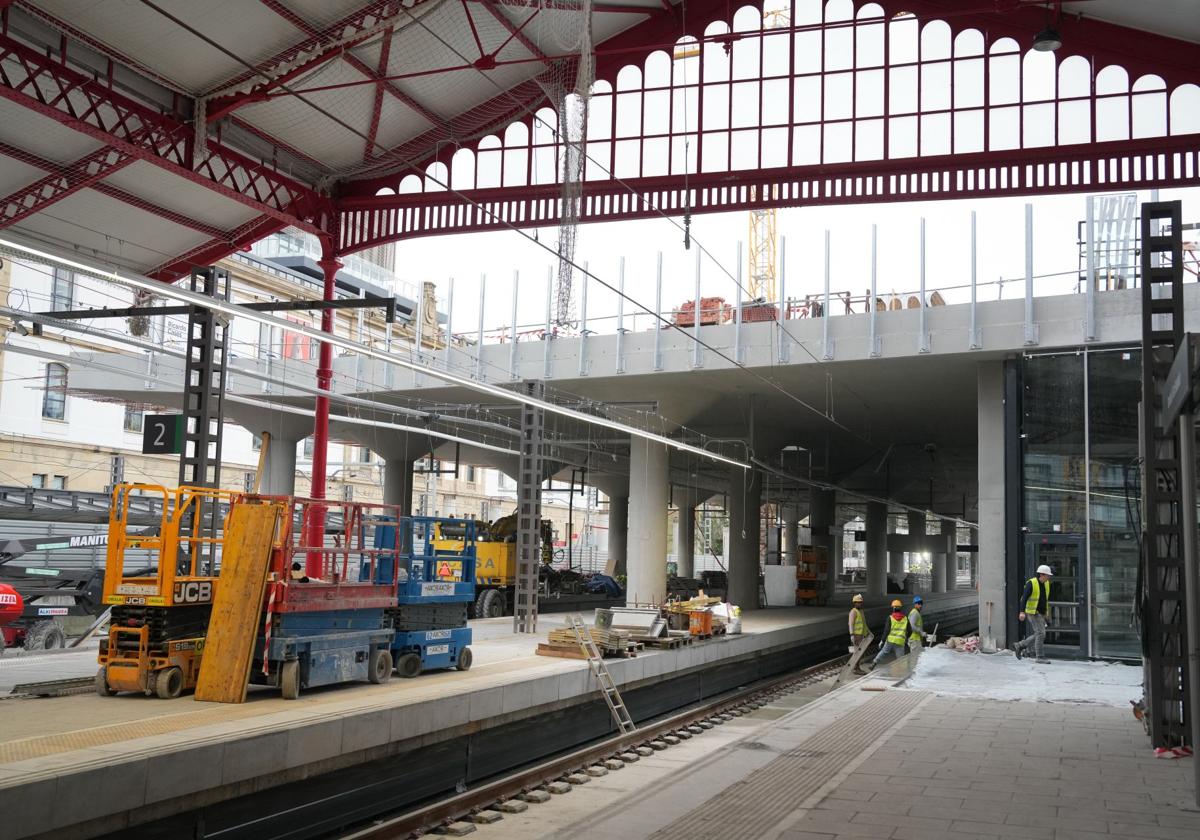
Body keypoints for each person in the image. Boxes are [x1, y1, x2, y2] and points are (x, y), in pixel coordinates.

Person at [1012, 564, 1053, 664]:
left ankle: (1020, 645)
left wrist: (1046, 614)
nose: (1049, 577)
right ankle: (1039, 656)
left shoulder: (1046, 584)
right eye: (1047, 575)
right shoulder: (1031, 583)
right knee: (1041, 633)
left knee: (1039, 633)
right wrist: (1022, 612)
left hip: (1041, 613)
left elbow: (1044, 600)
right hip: (1033, 612)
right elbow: (1024, 598)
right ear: (1041, 575)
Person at [871, 599, 908, 668]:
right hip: (900, 641)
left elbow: (886, 630)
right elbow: (910, 630)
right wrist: (907, 639)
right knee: (901, 658)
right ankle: (901, 671)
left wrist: (882, 641)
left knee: (883, 652)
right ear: (900, 608)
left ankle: (874, 663)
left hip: (890, 640)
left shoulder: (890, 618)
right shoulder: (905, 618)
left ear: (893, 608)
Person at [848, 593, 869, 675]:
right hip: (856, 635)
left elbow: (864, 623)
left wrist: (866, 633)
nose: (859, 603)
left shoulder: (861, 611)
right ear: (854, 603)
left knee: (859, 652)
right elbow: (851, 624)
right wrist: (852, 634)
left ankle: (856, 667)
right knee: (857, 652)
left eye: (860, 602)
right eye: (857, 602)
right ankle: (855, 668)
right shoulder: (853, 612)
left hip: (861, 635)